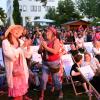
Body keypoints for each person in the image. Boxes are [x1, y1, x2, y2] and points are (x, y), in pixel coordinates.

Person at [2, 25, 32, 100]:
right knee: (17, 95)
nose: (19, 31)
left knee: (21, 92)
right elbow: (11, 56)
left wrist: (28, 47)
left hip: (22, 70)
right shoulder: (5, 42)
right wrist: (22, 47)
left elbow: (27, 56)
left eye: (19, 30)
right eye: (16, 29)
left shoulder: (21, 41)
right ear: (11, 31)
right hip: (13, 72)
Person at [38, 26, 63, 100]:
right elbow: (39, 51)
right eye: (46, 31)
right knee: (43, 79)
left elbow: (55, 51)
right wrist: (41, 48)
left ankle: (60, 92)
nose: (46, 33)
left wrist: (45, 47)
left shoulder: (56, 40)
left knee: (56, 80)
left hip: (54, 63)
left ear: (52, 33)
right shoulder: (44, 41)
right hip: (45, 63)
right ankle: (42, 95)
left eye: (48, 31)